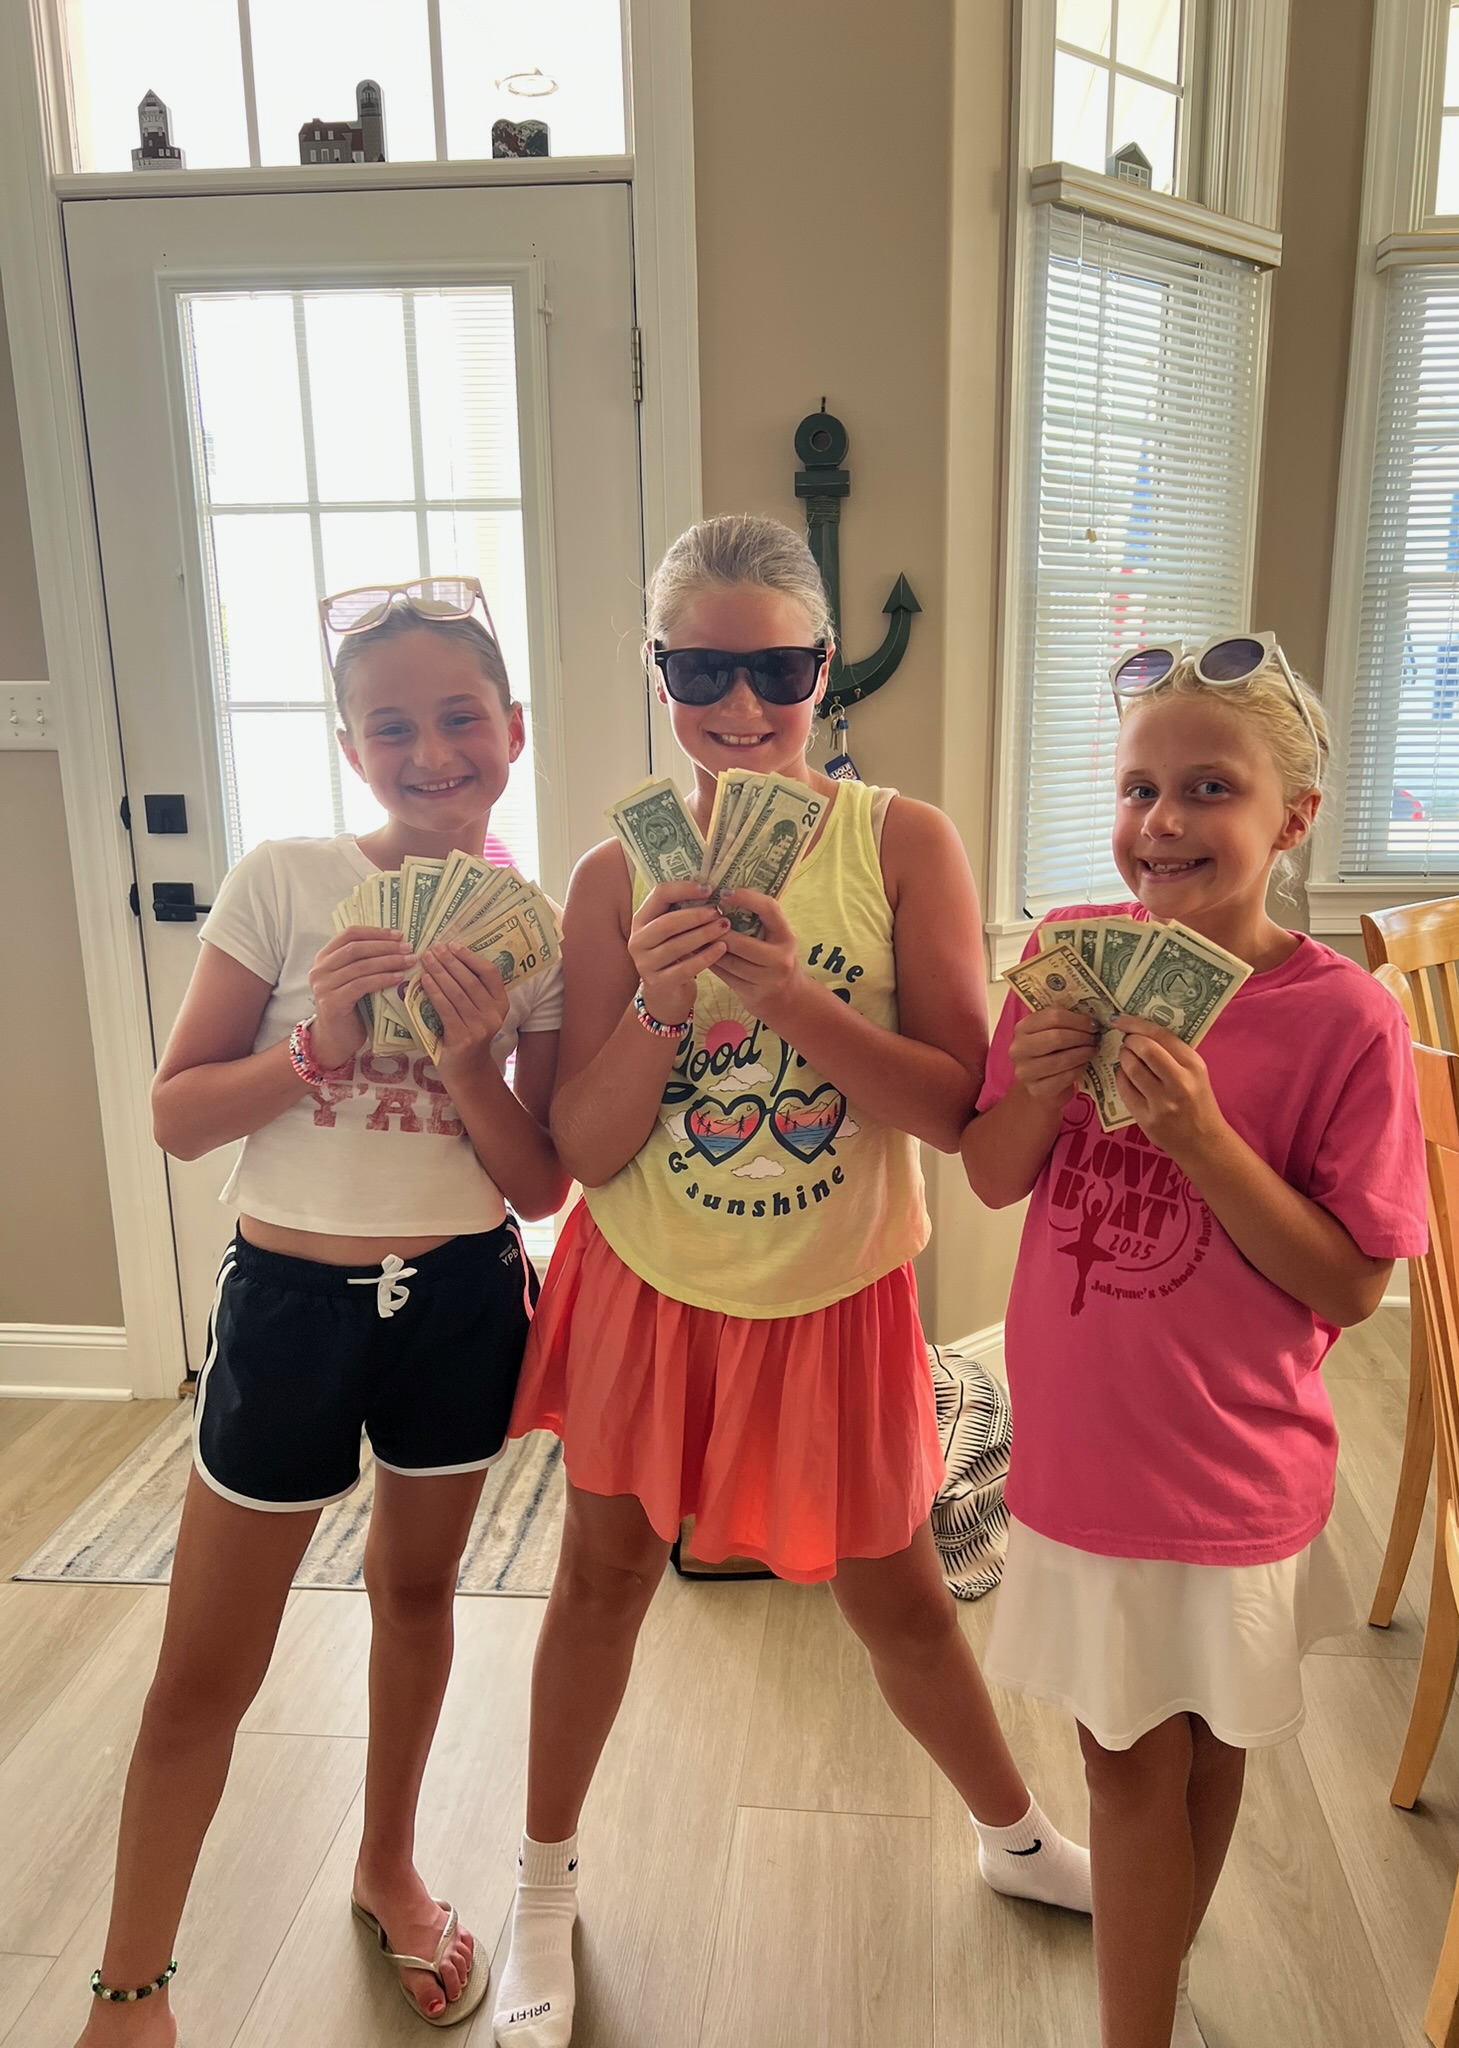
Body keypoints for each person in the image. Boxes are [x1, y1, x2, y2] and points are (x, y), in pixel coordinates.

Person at [491, 516, 1091, 2048]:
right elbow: (583, 1147)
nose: (742, 705)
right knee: (601, 1584)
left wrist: (792, 1002)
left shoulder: (903, 845)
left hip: (835, 1297)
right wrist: (665, 1003)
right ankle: (542, 1886)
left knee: (900, 1598)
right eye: (702, 669)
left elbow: (956, 1111)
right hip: (649, 1288)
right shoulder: (615, 871)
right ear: (659, 673)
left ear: (825, 667)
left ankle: (1015, 1836)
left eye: (777, 668)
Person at [75, 579, 568, 2045]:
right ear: (351, 746)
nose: (432, 753)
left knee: (417, 1599)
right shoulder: (286, 881)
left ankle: (387, 1863)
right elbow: (176, 1116)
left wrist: (472, 1059)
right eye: (391, 727)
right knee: (204, 1670)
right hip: (290, 1307)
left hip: (460, 1302)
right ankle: (130, 1986)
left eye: (461, 717)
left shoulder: (534, 934)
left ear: (513, 729)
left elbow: (538, 1180)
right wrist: (318, 1046)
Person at [961, 639, 1428, 2048]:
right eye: (1138, 788)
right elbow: (992, 1176)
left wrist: (1209, 1141)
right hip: (1085, 1463)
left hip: (1234, 1468)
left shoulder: (1346, 1019)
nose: (1160, 822)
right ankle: (1142, 2013)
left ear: (1294, 819)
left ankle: (1150, 1981)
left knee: (1210, 1748)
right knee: (1122, 1766)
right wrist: (1035, 1087)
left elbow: (1351, 1286)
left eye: (1209, 788)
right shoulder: (1065, 955)